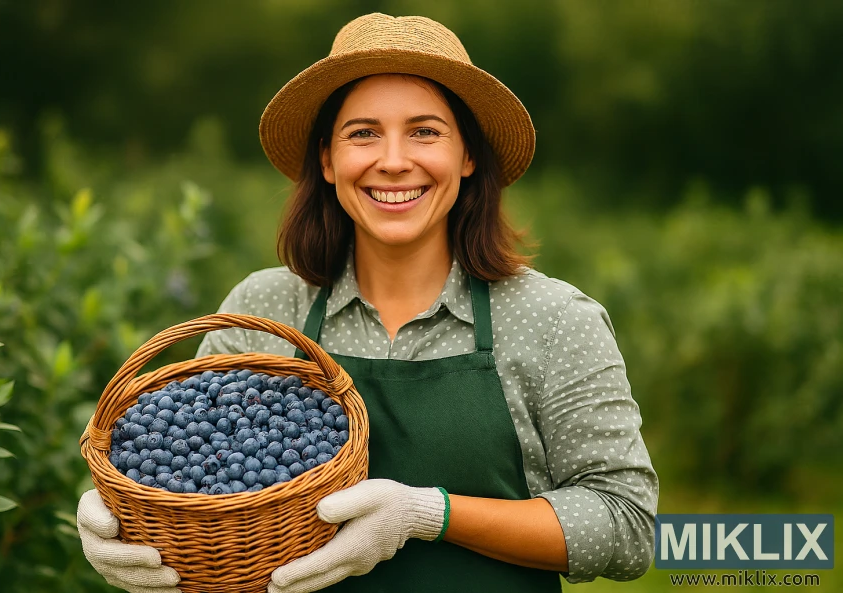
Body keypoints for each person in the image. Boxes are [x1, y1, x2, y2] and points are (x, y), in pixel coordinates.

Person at [77, 12, 658, 593]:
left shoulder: (552, 319)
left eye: (426, 131)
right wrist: (124, 520)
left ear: (468, 156)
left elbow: (628, 527)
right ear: (328, 160)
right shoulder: (264, 306)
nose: (394, 160)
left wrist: (431, 514)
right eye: (364, 133)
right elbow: (193, 470)